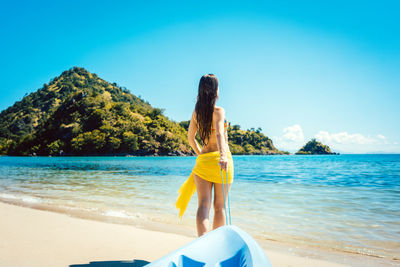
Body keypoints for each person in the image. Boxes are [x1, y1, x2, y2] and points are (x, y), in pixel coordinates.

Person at [175, 74, 234, 237]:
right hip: (221, 161)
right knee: (220, 206)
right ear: (216, 90)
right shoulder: (219, 111)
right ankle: (217, 245)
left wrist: (201, 154)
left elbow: (190, 138)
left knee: (203, 205)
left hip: (203, 162)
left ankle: (203, 243)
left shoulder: (196, 113)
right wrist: (222, 156)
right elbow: (220, 134)